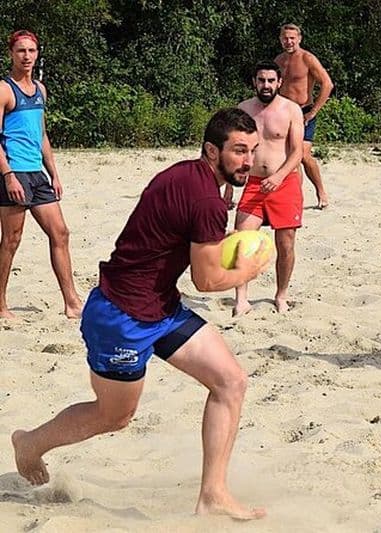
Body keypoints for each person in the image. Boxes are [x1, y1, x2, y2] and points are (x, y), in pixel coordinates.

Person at [12, 108, 270, 520]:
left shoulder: (191, 176)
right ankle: (30, 443)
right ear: (211, 150)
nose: (248, 160)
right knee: (114, 415)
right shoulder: (206, 198)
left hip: (160, 306)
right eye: (239, 151)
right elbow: (207, 280)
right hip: (121, 316)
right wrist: (250, 269)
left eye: (252, 150)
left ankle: (212, 494)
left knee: (230, 381)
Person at [0, 30, 82, 319]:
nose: (26, 56)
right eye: (21, 51)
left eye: (31, 51)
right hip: (14, 172)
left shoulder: (40, 89)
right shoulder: (4, 90)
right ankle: (0, 304)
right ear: (11, 53)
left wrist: (54, 174)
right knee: (11, 239)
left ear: (37, 54)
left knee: (60, 232)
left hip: (37, 173)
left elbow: (42, 135)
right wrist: (8, 175)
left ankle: (72, 302)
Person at [229, 61, 304, 315]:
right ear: (254, 82)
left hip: (285, 182)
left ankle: (281, 295)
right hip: (253, 184)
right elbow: (234, 149)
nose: (266, 85)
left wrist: (280, 176)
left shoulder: (291, 110)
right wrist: (229, 186)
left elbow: (297, 153)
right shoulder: (243, 110)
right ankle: (241, 298)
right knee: (242, 240)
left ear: (279, 83)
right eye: (261, 80)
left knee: (286, 244)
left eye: (271, 81)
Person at [275, 23, 333, 209]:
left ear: (299, 39)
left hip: (304, 111)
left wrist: (314, 111)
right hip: (284, 112)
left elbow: (327, 84)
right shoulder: (278, 61)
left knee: (304, 155)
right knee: (290, 156)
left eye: (292, 38)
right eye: (285, 38)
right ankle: (295, 196)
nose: (289, 41)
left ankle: (320, 190)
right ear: (280, 39)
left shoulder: (307, 58)